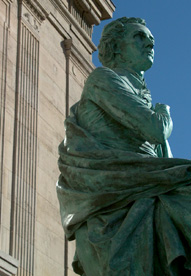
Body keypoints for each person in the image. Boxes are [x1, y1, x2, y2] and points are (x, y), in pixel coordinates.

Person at [57, 17, 191, 276]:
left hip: (146, 183)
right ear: (116, 47)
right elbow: (156, 129)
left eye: (151, 39)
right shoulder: (103, 79)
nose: (150, 43)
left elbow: (166, 166)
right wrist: (163, 112)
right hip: (118, 190)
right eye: (139, 37)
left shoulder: (137, 93)